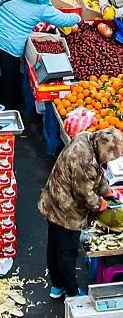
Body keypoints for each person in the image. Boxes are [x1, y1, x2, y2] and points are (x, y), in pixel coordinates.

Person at [40, 127, 123, 300]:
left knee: (55, 245)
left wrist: (107, 191)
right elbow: (84, 194)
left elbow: (96, 174)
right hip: (65, 210)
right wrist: (101, 204)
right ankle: (72, 292)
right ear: (106, 150)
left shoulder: (88, 139)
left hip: (53, 200)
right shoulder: (84, 159)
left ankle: (57, 286)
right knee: (66, 252)